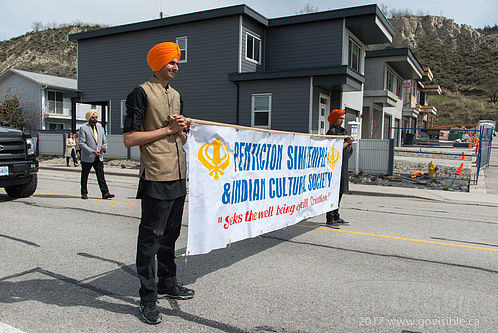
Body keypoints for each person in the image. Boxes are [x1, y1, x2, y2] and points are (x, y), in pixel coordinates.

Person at [123, 42, 193, 325]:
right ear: (157, 64)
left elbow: (183, 138)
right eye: (170, 63)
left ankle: (167, 282)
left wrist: (182, 128)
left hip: (178, 174)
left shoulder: (176, 95)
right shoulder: (140, 93)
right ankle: (148, 298)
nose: (175, 67)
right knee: (150, 239)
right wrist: (167, 129)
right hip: (156, 174)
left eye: (177, 62)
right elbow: (129, 138)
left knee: (171, 235)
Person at [326, 109, 354, 229]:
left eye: (343, 118)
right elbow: (333, 149)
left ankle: (336, 215)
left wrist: (349, 143)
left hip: (343, 164)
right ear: (335, 119)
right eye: (340, 118)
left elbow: (346, 147)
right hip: (334, 166)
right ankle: (330, 218)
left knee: (341, 190)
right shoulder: (332, 132)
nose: (342, 121)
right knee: (334, 191)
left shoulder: (343, 131)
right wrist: (347, 143)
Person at [78, 110, 115, 200]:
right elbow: (81, 143)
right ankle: (84, 193)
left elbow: (104, 141)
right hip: (88, 156)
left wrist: (104, 147)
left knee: (101, 176)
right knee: (85, 176)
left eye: (96, 117)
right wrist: (91, 151)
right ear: (89, 118)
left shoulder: (100, 128)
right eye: (93, 117)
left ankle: (105, 193)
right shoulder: (83, 128)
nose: (95, 119)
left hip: (99, 156)